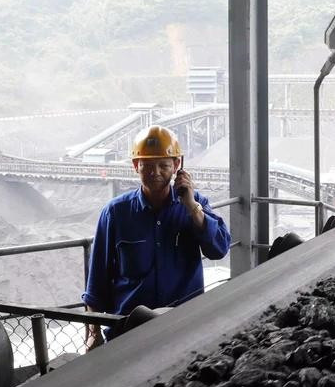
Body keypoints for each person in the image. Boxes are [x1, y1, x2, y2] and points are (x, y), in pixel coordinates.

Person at [82, 125, 231, 349]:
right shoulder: (116, 213)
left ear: (177, 166)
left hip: (183, 327)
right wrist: (93, 333)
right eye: (148, 165)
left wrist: (191, 207)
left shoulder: (195, 204)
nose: (155, 172)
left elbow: (219, 248)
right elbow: (97, 283)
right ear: (135, 166)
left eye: (164, 165)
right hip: (129, 331)